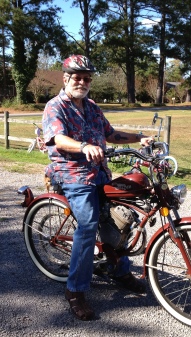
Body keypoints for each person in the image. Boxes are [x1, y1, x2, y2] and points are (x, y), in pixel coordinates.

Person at [42, 55, 154, 321]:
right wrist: (83, 146)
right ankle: (75, 290)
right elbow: (58, 139)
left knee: (118, 218)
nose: (82, 82)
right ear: (65, 78)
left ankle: (119, 270)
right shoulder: (54, 106)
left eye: (87, 78)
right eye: (77, 77)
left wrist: (140, 138)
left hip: (100, 172)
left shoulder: (91, 106)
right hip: (73, 174)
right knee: (89, 225)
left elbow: (110, 134)